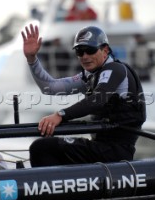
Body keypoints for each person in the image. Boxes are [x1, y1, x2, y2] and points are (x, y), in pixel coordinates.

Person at [21, 24, 146, 167]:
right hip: (100, 147)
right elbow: (50, 87)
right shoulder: (89, 76)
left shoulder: (115, 69)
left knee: (42, 147)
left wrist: (60, 115)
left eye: (90, 50)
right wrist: (32, 59)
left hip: (115, 152)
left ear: (105, 50)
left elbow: (97, 100)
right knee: (45, 147)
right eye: (80, 51)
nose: (85, 56)